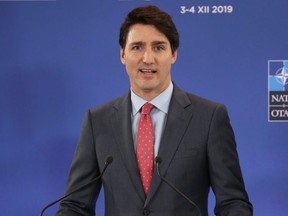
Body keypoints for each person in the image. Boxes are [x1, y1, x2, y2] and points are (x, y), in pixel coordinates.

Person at [56, 5, 253, 216]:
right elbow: (75, 206)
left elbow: (233, 203)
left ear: (174, 54)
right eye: (137, 47)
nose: (148, 59)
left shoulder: (210, 117)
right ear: (122, 54)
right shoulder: (97, 121)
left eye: (158, 47)